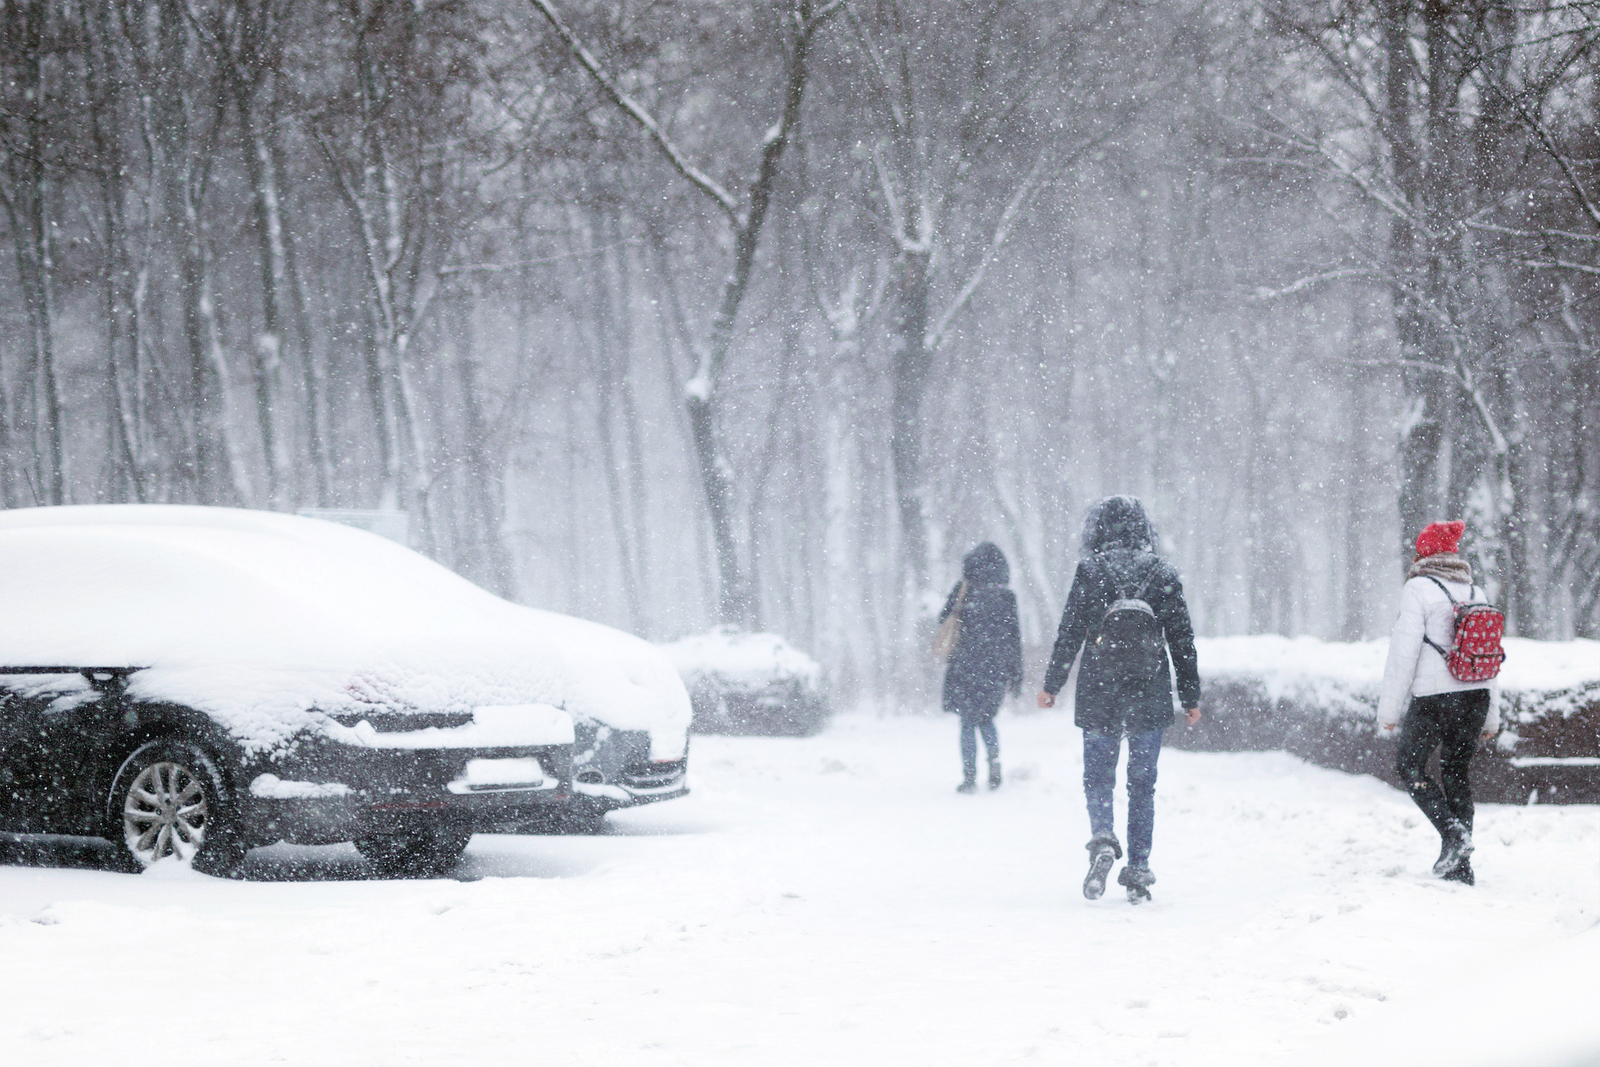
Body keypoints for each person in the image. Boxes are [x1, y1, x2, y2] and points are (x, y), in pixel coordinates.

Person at [1037, 496, 1200, 904]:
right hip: (1150, 687)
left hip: (1100, 686)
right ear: (1145, 530)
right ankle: (1140, 867)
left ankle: (1103, 840)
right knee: (1142, 783)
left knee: (1098, 776)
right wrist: (1190, 695)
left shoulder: (1090, 571)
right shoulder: (1162, 571)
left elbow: (1070, 632)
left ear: (1098, 531)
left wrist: (1052, 685)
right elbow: (1182, 640)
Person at [1377, 520, 1501, 886]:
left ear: (1424, 554)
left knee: (1410, 768)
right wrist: (1491, 716)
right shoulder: (1477, 590)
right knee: (1456, 772)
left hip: (1436, 698)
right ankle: (1460, 867)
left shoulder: (1418, 588)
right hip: (1475, 697)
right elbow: (1489, 661)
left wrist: (1388, 712)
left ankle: (1453, 836)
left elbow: (1403, 655)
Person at [937, 542, 1023, 793]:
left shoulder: (963, 590)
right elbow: (1013, 638)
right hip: (994, 668)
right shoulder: (1006, 597)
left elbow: (944, 620)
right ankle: (994, 765)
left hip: (965, 666)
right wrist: (1016, 674)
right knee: (986, 719)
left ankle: (969, 776)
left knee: (966, 722)